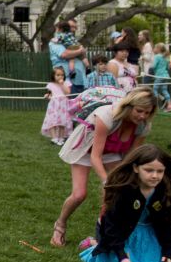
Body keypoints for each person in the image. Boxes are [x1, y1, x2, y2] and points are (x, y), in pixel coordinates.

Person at [52, 87, 156, 247]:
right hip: (86, 149)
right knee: (79, 194)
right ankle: (60, 226)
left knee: (118, 193)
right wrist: (106, 181)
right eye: (139, 111)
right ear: (129, 106)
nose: (142, 116)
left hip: (112, 152)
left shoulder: (143, 126)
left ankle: (102, 238)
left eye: (147, 112)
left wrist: (126, 181)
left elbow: (131, 158)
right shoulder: (106, 115)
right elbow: (95, 156)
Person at [49, 20, 88, 94]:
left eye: (75, 27)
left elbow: (82, 53)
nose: (74, 29)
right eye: (72, 27)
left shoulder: (72, 40)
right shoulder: (55, 42)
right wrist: (80, 51)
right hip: (68, 82)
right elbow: (64, 54)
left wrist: (81, 51)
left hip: (81, 81)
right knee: (70, 104)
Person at [42, 67, 73, 145]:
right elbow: (50, 95)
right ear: (53, 76)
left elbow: (68, 93)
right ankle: (54, 138)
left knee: (62, 122)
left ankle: (61, 138)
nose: (60, 77)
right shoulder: (51, 85)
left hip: (63, 106)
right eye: (58, 75)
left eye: (62, 75)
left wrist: (62, 84)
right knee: (52, 121)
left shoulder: (66, 83)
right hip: (54, 106)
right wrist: (47, 96)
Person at [151, 43, 171, 111]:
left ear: (158, 49)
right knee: (164, 90)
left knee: (154, 90)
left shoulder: (157, 56)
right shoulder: (165, 57)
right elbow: (167, 67)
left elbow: (153, 66)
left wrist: (150, 67)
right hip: (166, 76)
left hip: (159, 76)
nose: (154, 49)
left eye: (155, 48)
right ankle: (170, 105)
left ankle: (158, 102)